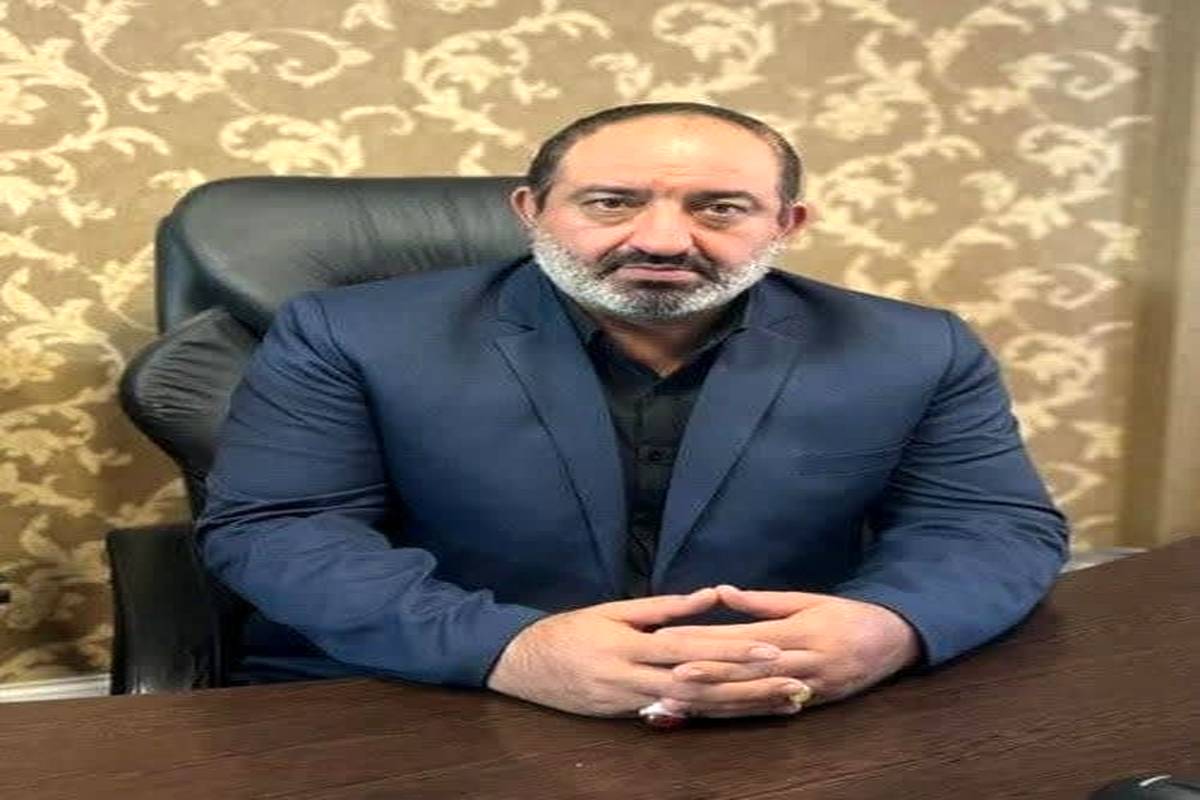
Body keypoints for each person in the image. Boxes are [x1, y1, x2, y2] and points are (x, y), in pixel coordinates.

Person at [197, 102, 1068, 720]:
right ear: (532, 211)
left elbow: (989, 525)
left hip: (776, 702)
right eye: (611, 202)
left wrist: (890, 627)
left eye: (719, 207)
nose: (661, 239)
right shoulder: (349, 332)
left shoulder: (916, 347)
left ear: (787, 224)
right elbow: (280, 528)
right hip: (426, 697)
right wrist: (509, 650)